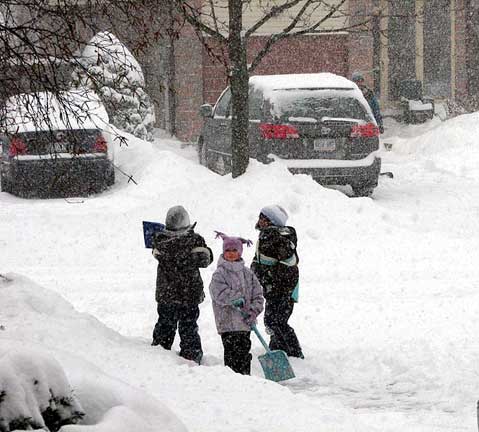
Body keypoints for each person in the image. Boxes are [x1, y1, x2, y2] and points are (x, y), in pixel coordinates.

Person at [151, 205, 213, 365]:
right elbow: (206, 259)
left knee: (165, 323)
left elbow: (157, 252)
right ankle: (192, 355)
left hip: (167, 294)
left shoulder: (160, 240)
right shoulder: (194, 240)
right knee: (188, 325)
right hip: (189, 294)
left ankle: (158, 351)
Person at [251, 205, 303, 359]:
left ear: (272, 222)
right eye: (260, 217)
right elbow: (260, 259)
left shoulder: (279, 239)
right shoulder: (265, 236)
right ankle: (278, 346)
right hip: (273, 289)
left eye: (263, 218)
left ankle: (293, 352)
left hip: (284, 289)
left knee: (276, 321)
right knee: (272, 320)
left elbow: (288, 267)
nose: (260, 220)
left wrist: (268, 278)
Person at [209, 231, 264, 375]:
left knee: (244, 353)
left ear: (240, 252)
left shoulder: (248, 274)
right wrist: (237, 299)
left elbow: (258, 295)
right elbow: (218, 293)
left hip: (245, 324)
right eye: (228, 250)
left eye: (234, 250)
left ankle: (246, 379)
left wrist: (252, 311)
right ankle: (232, 381)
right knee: (232, 354)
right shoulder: (219, 273)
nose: (231, 253)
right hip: (227, 324)